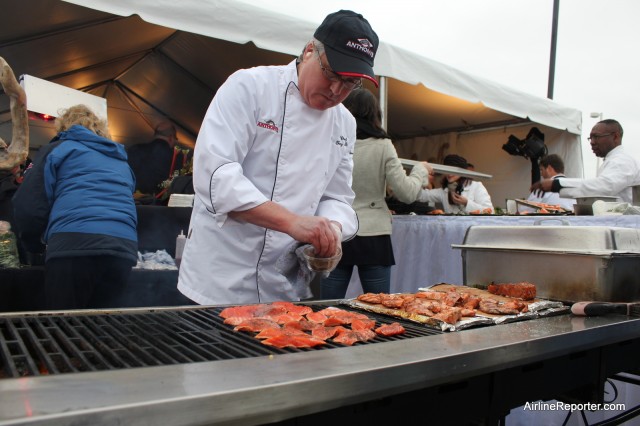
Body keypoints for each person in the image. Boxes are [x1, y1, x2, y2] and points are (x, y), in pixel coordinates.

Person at [177, 10, 379, 305]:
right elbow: (216, 177)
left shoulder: (345, 123)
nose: (337, 90)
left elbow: (337, 198)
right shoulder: (250, 87)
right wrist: (293, 223)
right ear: (310, 51)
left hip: (284, 288)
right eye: (332, 74)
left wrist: (330, 229)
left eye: (350, 83)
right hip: (219, 281)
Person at [12, 104, 138, 309]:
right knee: (105, 328)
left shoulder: (59, 148)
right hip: (122, 249)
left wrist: (33, 246)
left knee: (64, 326)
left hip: (73, 246)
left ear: (63, 128)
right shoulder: (121, 161)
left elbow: (29, 204)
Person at [320, 88, 431, 299]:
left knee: (328, 307)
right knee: (380, 308)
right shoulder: (383, 146)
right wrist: (420, 170)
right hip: (374, 234)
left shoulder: (331, 142)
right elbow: (407, 193)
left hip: (336, 229)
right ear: (374, 114)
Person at [530, 119, 640, 203]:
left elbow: (604, 187)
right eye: (590, 138)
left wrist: (557, 184)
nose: (592, 142)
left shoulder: (622, 160)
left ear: (615, 137)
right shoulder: (613, 160)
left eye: (596, 137)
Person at [126, 121, 191, 200]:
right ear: (171, 138)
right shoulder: (178, 157)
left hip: (131, 201)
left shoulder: (134, 149)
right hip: (159, 206)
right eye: (175, 139)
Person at [416, 154, 494, 214]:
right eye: (447, 170)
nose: (449, 174)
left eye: (453, 171)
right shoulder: (444, 191)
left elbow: (490, 211)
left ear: (462, 172)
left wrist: (466, 202)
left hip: (473, 229)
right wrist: (418, 177)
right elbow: (420, 195)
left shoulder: (476, 186)